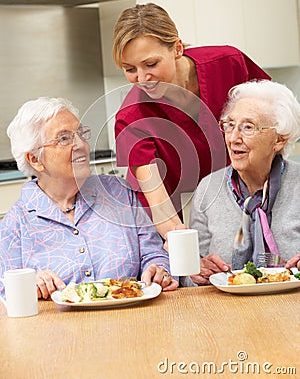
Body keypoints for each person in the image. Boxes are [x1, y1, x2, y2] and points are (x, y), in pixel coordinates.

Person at [113, 2, 271, 239]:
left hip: (245, 192)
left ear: (177, 48)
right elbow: (160, 205)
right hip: (171, 210)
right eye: (129, 69)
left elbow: (274, 118)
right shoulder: (132, 117)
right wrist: (183, 243)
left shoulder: (229, 63)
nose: (142, 78)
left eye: (151, 64)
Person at [0, 97, 178, 299]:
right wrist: (28, 286)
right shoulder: (16, 223)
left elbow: (153, 253)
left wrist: (159, 270)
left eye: (81, 134)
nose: (81, 145)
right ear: (35, 159)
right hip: (59, 329)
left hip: (129, 320)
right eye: (64, 138)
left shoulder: (118, 192)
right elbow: (5, 295)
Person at [187, 80, 300, 285]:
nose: (233, 138)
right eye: (230, 125)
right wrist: (196, 272)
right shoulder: (208, 188)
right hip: (227, 311)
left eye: (248, 127)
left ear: (279, 140)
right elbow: (189, 274)